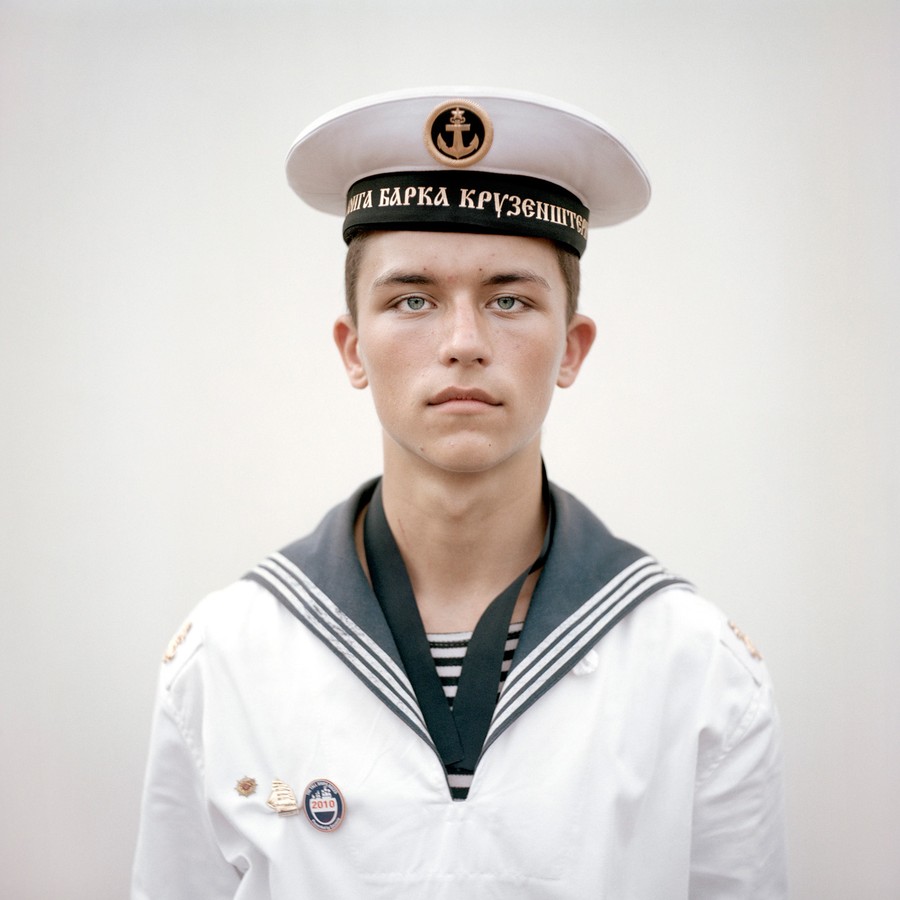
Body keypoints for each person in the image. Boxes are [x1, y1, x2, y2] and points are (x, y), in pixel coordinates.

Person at [132, 87, 787, 899]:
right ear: (353, 348)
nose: (464, 343)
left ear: (572, 348)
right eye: (413, 300)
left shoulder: (696, 669)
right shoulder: (228, 658)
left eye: (510, 299)